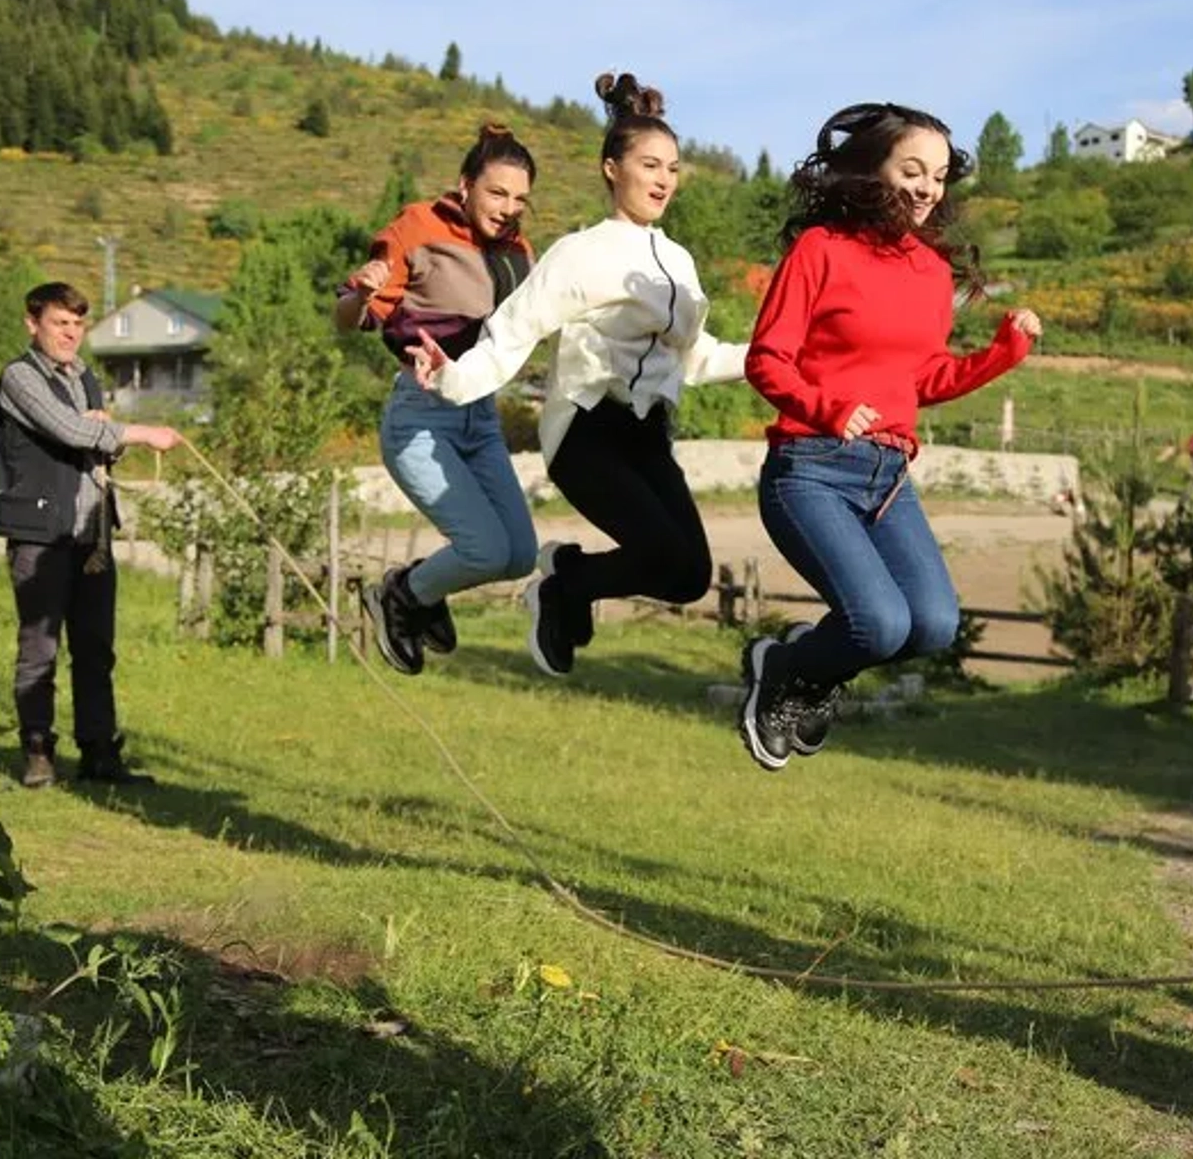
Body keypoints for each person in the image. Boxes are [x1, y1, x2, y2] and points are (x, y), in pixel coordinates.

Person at [408, 73, 747, 677]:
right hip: (586, 432)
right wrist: (451, 377)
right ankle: (563, 590)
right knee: (663, 551)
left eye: (673, 167)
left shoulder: (678, 261)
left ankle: (566, 579)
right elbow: (513, 333)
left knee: (690, 575)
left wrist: (772, 356)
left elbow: (697, 358)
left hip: (647, 437)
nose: (665, 179)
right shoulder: (580, 253)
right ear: (612, 168)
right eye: (650, 164)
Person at [738, 103, 1043, 770]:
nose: (928, 188)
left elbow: (924, 379)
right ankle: (786, 672)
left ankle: (798, 669)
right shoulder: (821, 248)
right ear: (874, 169)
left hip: (887, 479)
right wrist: (825, 406)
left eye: (938, 176)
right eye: (912, 170)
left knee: (932, 625)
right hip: (810, 469)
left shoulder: (931, 272)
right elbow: (765, 359)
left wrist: (1003, 353)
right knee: (878, 623)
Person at [336, 124, 541, 675]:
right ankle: (402, 594)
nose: (507, 208)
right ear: (465, 184)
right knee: (486, 551)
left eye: (520, 198)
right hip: (422, 420)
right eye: (496, 193)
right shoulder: (419, 226)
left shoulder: (516, 251)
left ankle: (421, 594)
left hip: (482, 416)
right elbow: (345, 320)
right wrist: (361, 291)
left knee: (519, 554)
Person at [0, 282, 182, 788]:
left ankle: (99, 753)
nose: (71, 334)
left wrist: (108, 435)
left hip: (92, 534)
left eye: (77, 324)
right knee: (40, 648)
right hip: (40, 533)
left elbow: (93, 445)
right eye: (60, 323)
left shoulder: (86, 378)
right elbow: (70, 432)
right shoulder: (19, 378)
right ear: (33, 324)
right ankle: (37, 753)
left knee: (96, 648)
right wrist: (136, 433)